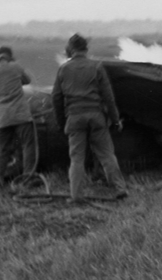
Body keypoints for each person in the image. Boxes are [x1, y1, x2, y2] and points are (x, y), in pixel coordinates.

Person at [52, 34, 128, 203]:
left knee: (77, 158)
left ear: (70, 49)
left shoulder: (63, 70)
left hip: (74, 118)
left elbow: (56, 98)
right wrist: (115, 121)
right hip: (96, 117)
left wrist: (61, 123)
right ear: (85, 49)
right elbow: (109, 98)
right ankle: (120, 189)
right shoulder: (97, 67)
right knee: (107, 154)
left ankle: (76, 196)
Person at [0, 46, 36, 187]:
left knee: (3, 150)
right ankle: (28, 178)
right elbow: (27, 81)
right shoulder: (16, 66)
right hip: (20, 114)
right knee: (28, 145)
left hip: (3, 117)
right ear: (10, 56)